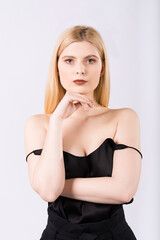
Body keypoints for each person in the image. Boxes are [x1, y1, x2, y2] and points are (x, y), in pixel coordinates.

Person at [24, 25, 143, 240]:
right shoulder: (39, 125)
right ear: (57, 67)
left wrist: (60, 184)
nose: (80, 70)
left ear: (102, 68)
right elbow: (49, 192)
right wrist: (57, 120)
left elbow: (124, 190)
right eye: (69, 60)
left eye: (90, 60)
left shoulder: (124, 118)